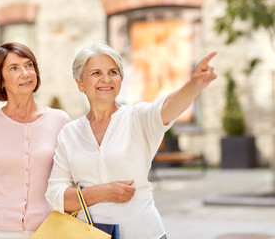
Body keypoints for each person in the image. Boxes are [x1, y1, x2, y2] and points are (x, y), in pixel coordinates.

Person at [45, 42, 217, 239]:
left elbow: (168, 106)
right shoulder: (69, 133)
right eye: (96, 73)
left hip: (143, 232)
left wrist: (194, 84)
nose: (106, 79)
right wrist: (100, 192)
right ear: (80, 83)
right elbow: (55, 196)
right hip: (88, 235)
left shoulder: (138, 118)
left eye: (113, 72)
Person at [0, 42, 70, 239]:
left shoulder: (60, 121)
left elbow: (70, 181)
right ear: (1, 79)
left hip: (50, 231)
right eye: (14, 68)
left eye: (29, 65)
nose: (25, 73)